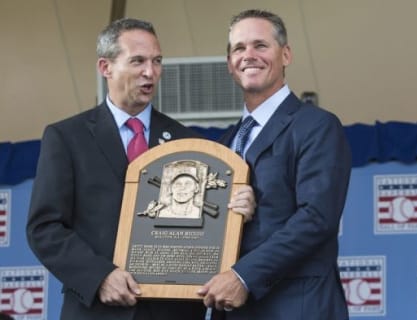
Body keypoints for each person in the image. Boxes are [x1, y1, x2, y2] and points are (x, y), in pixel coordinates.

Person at [26, 18, 255, 320]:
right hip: (97, 310)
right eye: (138, 61)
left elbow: (208, 225)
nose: (150, 72)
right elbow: (45, 228)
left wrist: (240, 212)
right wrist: (100, 277)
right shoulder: (67, 137)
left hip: (174, 311)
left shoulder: (189, 144)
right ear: (105, 67)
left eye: (157, 61)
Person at [197, 9, 351, 320]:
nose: (248, 55)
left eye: (260, 45)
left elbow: (316, 217)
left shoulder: (317, 126)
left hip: (296, 307)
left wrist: (243, 276)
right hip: (233, 310)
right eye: (239, 48)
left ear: (286, 54)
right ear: (229, 64)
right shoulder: (227, 142)